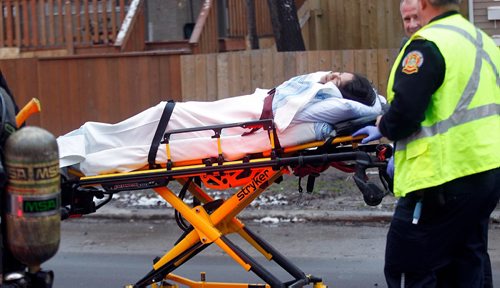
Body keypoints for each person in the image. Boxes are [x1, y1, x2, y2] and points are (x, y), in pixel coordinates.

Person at [353, 0, 500, 287]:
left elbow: (406, 113)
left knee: (409, 264)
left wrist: (383, 125)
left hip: (440, 179)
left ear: (423, 3)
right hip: (485, 170)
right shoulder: (480, 40)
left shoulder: (428, 45)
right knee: (466, 263)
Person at [58, 71, 383, 176]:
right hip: (242, 115)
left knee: (160, 130)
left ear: (341, 91)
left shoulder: (328, 104)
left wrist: (384, 114)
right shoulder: (318, 93)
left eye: (338, 77)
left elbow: (365, 110)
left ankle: (78, 157)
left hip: (241, 127)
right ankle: (76, 147)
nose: (330, 74)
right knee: (159, 120)